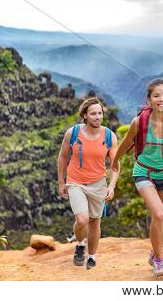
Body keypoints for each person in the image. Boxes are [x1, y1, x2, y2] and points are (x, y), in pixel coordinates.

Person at [111, 78, 163, 276]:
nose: (161, 99)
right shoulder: (139, 122)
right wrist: (114, 161)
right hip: (144, 173)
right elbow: (125, 143)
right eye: (156, 95)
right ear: (149, 100)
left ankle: (154, 252)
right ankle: (159, 260)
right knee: (159, 214)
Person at [57, 97, 119, 269]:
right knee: (82, 219)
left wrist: (111, 185)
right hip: (75, 181)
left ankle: (91, 256)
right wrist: (61, 182)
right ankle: (79, 244)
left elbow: (115, 166)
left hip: (98, 183)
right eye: (93, 114)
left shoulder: (109, 136)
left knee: (94, 222)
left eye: (100, 113)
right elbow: (62, 157)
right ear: (84, 115)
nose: (98, 117)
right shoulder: (73, 133)